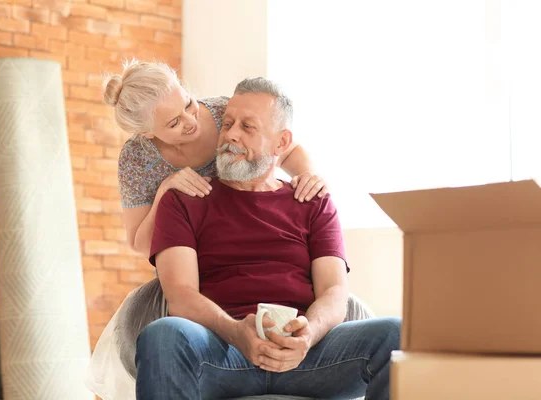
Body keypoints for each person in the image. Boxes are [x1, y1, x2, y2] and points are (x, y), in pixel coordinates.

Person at [136, 77, 401, 400]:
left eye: (248, 127)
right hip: (222, 352)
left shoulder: (313, 202)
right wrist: (236, 333)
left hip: (307, 357)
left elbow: (334, 290)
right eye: (228, 123)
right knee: (163, 335)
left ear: (281, 143)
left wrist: (308, 335)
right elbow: (180, 295)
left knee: (396, 334)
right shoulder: (184, 200)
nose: (231, 134)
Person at [104, 60, 329, 258]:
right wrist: (165, 189)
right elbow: (140, 245)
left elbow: (284, 148)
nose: (190, 121)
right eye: (174, 123)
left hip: (244, 235)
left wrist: (309, 178)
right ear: (147, 133)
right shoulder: (136, 158)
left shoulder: (226, 113)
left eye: (188, 104)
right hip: (189, 257)